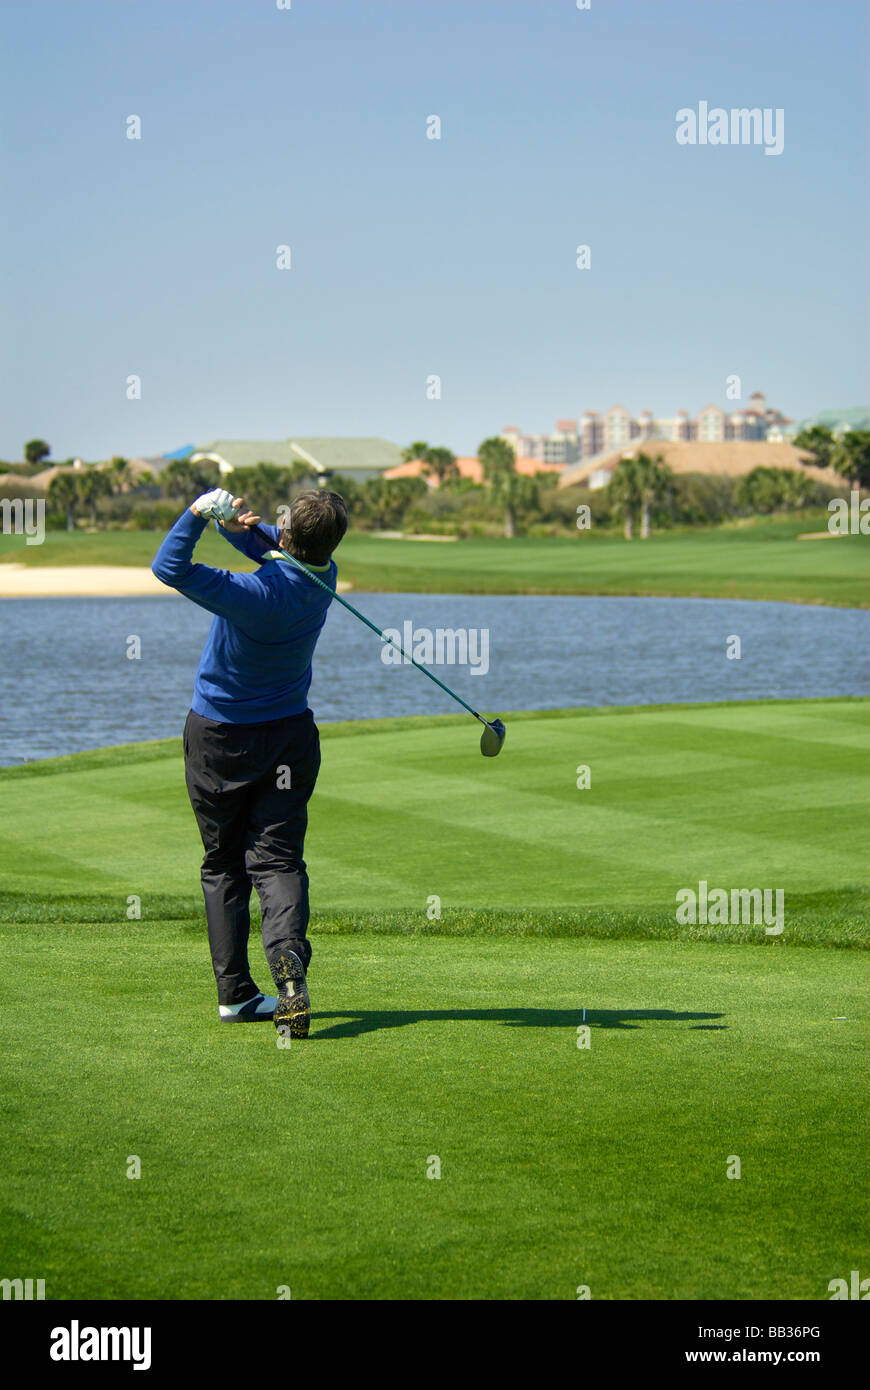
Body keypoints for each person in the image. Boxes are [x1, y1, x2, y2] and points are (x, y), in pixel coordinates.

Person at [151, 486, 348, 1037]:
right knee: (279, 860)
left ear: (286, 535)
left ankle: (236, 995)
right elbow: (281, 556)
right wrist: (237, 532)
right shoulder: (323, 577)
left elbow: (168, 567)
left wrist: (195, 514)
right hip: (288, 738)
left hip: (220, 740)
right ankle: (287, 967)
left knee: (223, 864)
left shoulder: (252, 593)